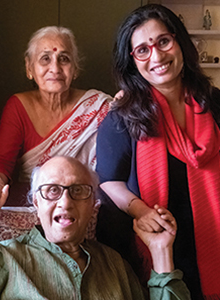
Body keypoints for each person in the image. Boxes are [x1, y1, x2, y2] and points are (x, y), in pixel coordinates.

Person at [96, 4, 220, 300]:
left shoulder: (214, 103)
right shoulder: (123, 116)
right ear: (133, 61)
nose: (157, 56)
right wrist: (142, 210)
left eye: (163, 41)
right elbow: (108, 181)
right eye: (142, 50)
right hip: (157, 242)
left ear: (179, 43)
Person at [0, 156, 190, 299]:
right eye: (52, 191)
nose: (65, 202)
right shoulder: (4, 260)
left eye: (79, 191)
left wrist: (161, 252)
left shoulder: (115, 264)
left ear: (92, 204)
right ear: (36, 201)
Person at [0, 26, 112, 217]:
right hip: (34, 200)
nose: (55, 68)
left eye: (64, 59)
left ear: (75, 70)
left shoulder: (98, 106)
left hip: (83, 200)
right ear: (29, 68)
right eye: (45, 59)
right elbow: (2, 160)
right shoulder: (18, 106)